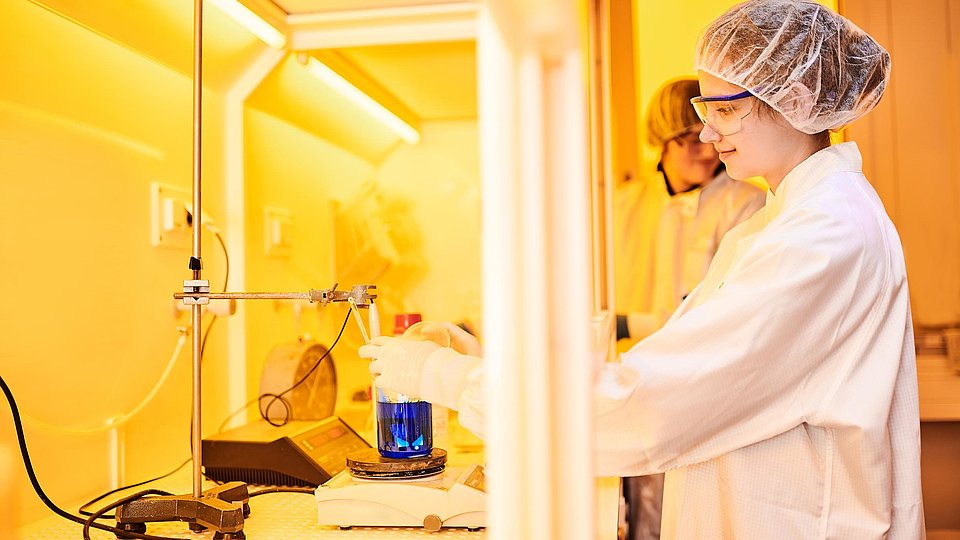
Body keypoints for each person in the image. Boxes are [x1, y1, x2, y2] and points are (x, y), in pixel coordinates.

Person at [360, 1, 925, 537]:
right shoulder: (779, 223)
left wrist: (447, 378)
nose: (706, 133)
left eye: (724, 109)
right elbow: (673, 365)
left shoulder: (822, 236)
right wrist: (486, 363)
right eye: (706, 111)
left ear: (795, 99)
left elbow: (654, 403)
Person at [614, 77, 765, 540]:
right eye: (684, 139)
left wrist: (629, 323)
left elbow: (725, 315)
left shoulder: (749, 204)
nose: (703, 147)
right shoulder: (624, 205)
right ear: (660, 144)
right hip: (631, 382)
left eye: (708, 131)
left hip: (708, 386)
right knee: (638, 511)